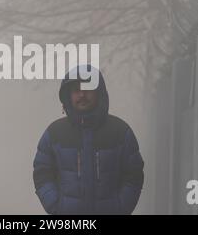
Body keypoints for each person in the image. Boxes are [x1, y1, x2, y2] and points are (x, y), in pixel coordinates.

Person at [33, 65, 144, 215]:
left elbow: (134, 174)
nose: (82, 95)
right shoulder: (54, 134)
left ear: (99, 93)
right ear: (68, 95)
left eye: (88, 89)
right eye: (76, 90)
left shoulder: (120, 132)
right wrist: (56, 208)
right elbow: (42, 173)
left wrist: (120, 209)